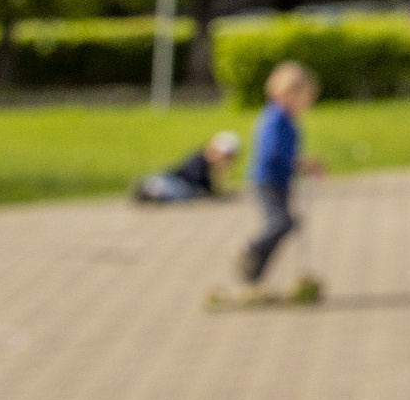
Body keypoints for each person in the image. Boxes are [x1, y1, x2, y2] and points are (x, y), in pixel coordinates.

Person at [240, 62, 325, 286]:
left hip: (280, 181)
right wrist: (302, 164)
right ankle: (250, 251)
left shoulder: (287, 120)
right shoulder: (275, 120)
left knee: (284, 224)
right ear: (288, 93)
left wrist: (302, 164)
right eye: (305, 98)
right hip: (267, 181)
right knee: (281, 222)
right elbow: (272, 153)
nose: (307, 104)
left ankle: (254, 276)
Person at [132, 129, 239, 203]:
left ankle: (153, 190)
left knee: (185, 193)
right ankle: (152, 188)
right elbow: (199, 182)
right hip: (177, 181)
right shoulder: (199, 160)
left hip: (179, 183)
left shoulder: (205, 162)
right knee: (184, 192)